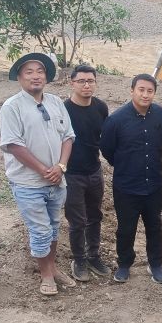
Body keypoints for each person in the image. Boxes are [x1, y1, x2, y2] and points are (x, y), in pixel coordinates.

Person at [0, 53, 76, 296]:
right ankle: (45, 275)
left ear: (46, 76)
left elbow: (68, 136)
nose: (36, 76)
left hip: (57, 180)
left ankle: (52, 268)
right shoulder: (12, 107)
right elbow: (13, 144)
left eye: (40, 71)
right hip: (28, 183)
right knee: (40, 230)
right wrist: (43, 170)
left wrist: (60, 167)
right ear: (19, 77)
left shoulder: (55, 102)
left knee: (53, 226)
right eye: (29, 72)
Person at [100, 73, 162, 284]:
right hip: (126, 186)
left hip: (153, 185)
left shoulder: (160, 115)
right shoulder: (116, 119)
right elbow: (107, 150)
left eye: (150, 91)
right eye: (141, 90)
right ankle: (124, 264)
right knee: (126, 228)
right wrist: (124, 166)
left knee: (155, 226)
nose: (145, 94)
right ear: (132, 91)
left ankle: (155, 264)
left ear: (154, 93)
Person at [62, 65, 111, 282]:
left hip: (94, 171)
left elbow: (104, 139)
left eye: (90, 81)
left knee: (95, 216)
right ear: (72, 83)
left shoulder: (100, 107)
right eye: (81, 81)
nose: (86, 85)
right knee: (77, 221)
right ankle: (78, 259)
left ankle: (93, 255)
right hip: (71, 174)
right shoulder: (63, 110)